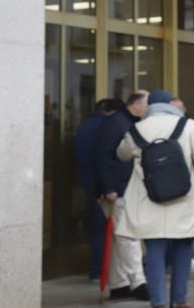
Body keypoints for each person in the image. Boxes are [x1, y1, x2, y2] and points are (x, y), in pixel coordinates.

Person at [115, 90, 194, 308]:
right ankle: (180, 301)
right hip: (182, 197)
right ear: (171, 105)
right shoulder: (188, 126)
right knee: (184, 246)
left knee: (154, 248)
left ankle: (158, 303)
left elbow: (122, 154)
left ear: (150, 107)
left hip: (149, 198)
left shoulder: (137, 129)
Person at [94, 90, 150, 302]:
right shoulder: (116, 123)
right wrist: (108, 187)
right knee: (129, 235)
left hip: (126, 188)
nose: (149, 108)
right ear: (135, 104)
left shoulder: (125, 122)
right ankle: (138, 282)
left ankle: (119, 284)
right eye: (147, 103)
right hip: (118, 190)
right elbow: (103, 156)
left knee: (121, 237)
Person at [73, 98, 124, 281]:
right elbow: (104, 158)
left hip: (88, 182)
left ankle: (96, 270)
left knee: (97, 229)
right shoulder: (108, 128)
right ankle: (106, 271)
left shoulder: (84, 126)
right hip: (105, 186)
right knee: (112, 229)